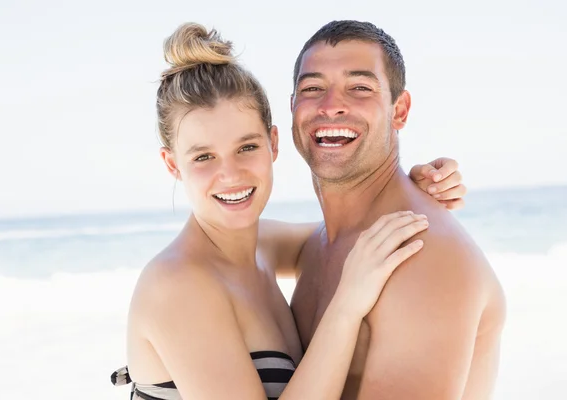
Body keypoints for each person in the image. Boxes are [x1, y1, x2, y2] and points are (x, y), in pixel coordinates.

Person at [111, 23, 467, 400]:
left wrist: (416, 188)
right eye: (203, 157)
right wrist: (346, 307)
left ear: (273, 143)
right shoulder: (178, 285)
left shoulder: (258, 247)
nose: (230, 174)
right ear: (173, 165)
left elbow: (343, 233)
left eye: (246, 147)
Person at [289, 20, 506, 399]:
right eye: (312, 88)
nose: (331, 106)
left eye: (359, 88)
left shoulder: (421, 255)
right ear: (292, 108)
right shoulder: (319, 243)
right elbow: (226, 243)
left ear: (399, 110)